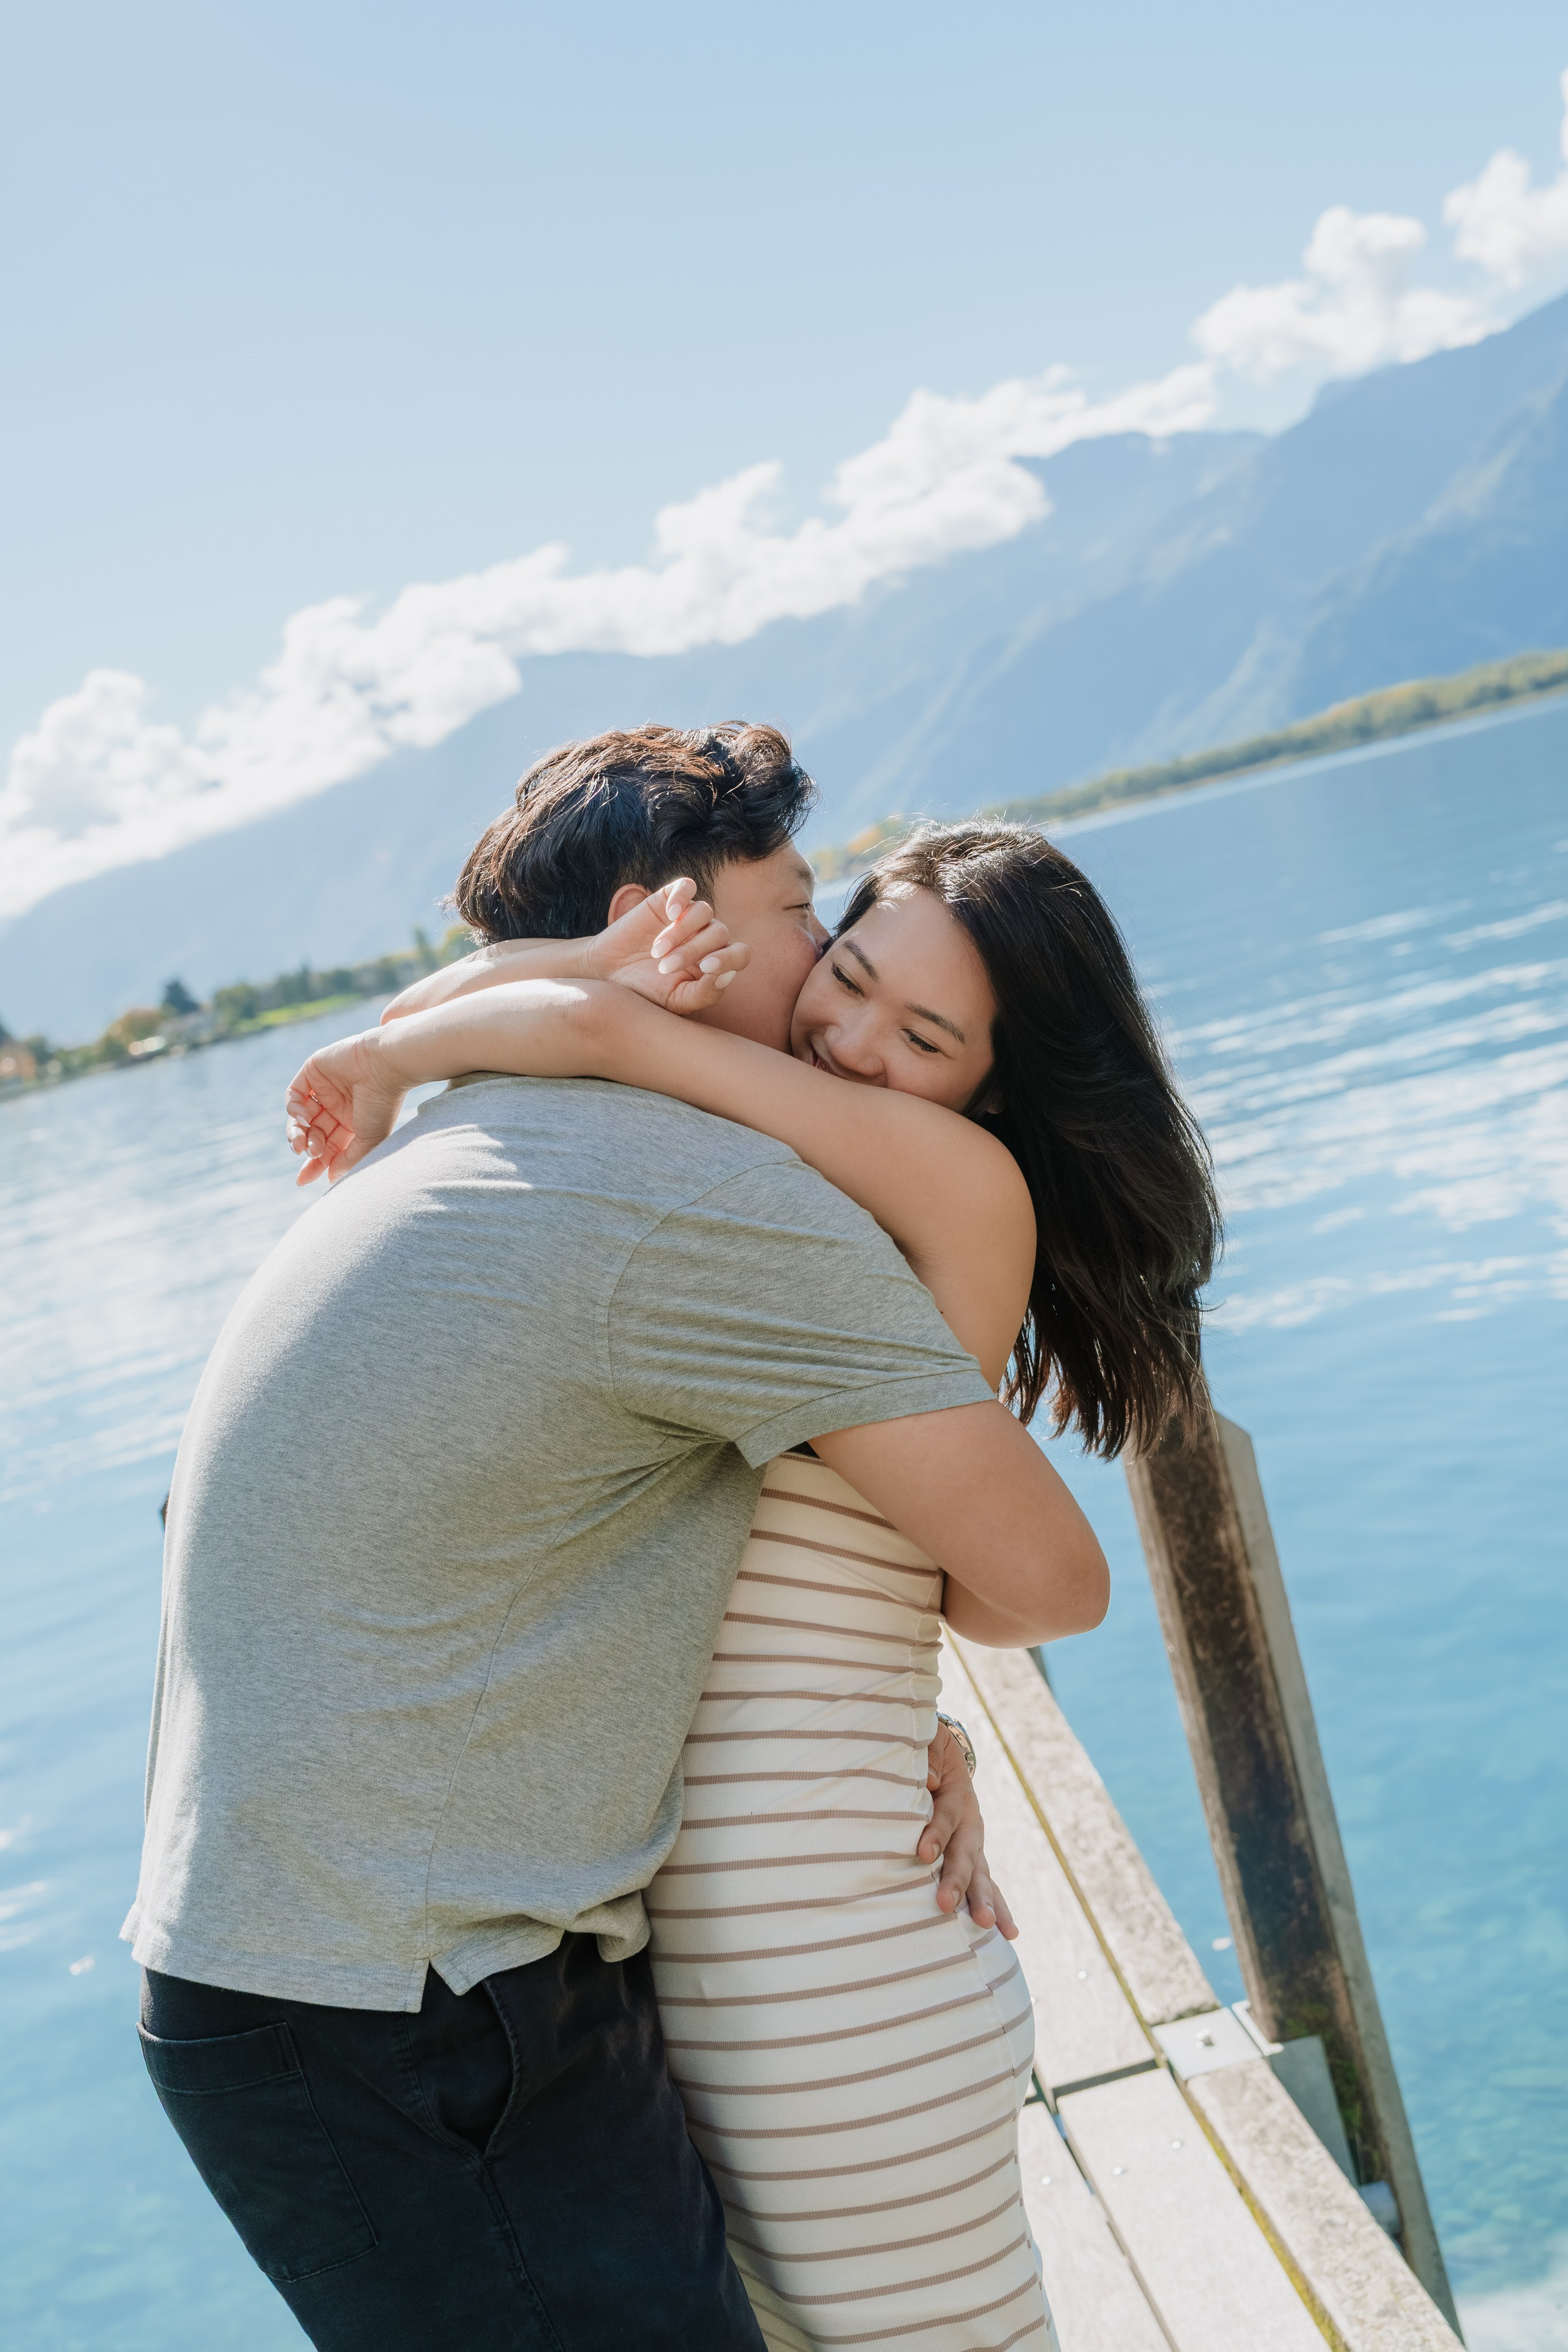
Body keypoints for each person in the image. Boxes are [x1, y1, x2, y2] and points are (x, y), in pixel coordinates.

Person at [126, 724, 1107, 2352]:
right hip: (418, 2006)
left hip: (307, 1972)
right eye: (807, 917)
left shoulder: (483, 1126)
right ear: (676, 928)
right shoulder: (701, 1191)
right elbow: (1042, 1579)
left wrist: (891, 1712)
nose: (820, 985)